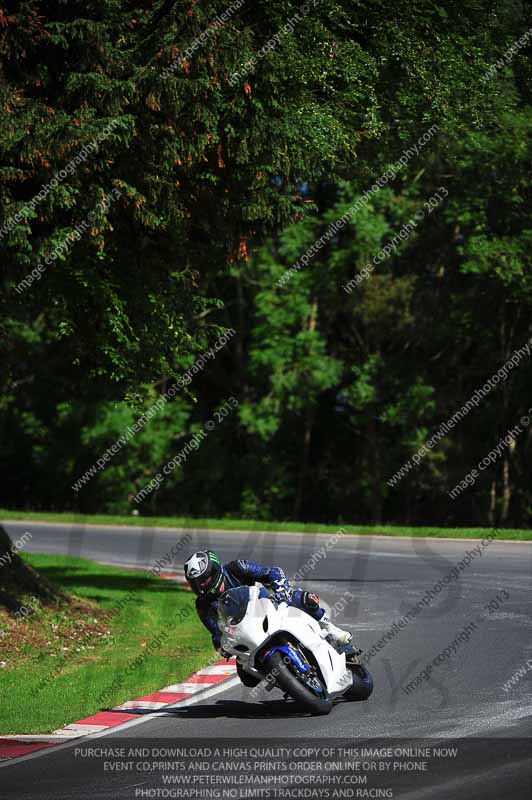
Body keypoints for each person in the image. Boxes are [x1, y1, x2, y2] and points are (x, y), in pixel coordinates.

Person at [184, 550, 353, 662]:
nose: (201, 586)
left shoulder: (237, 568)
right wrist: (222, 646)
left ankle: (329, 628)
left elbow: (271, 572)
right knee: (247, 677)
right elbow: (215, 632)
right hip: (246, 632)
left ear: (214, 571)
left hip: (266, 607)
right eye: (196, 583)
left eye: (204, 579)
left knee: (304, 598)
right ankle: (286, 679)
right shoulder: (202, 604)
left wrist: (280, 587)